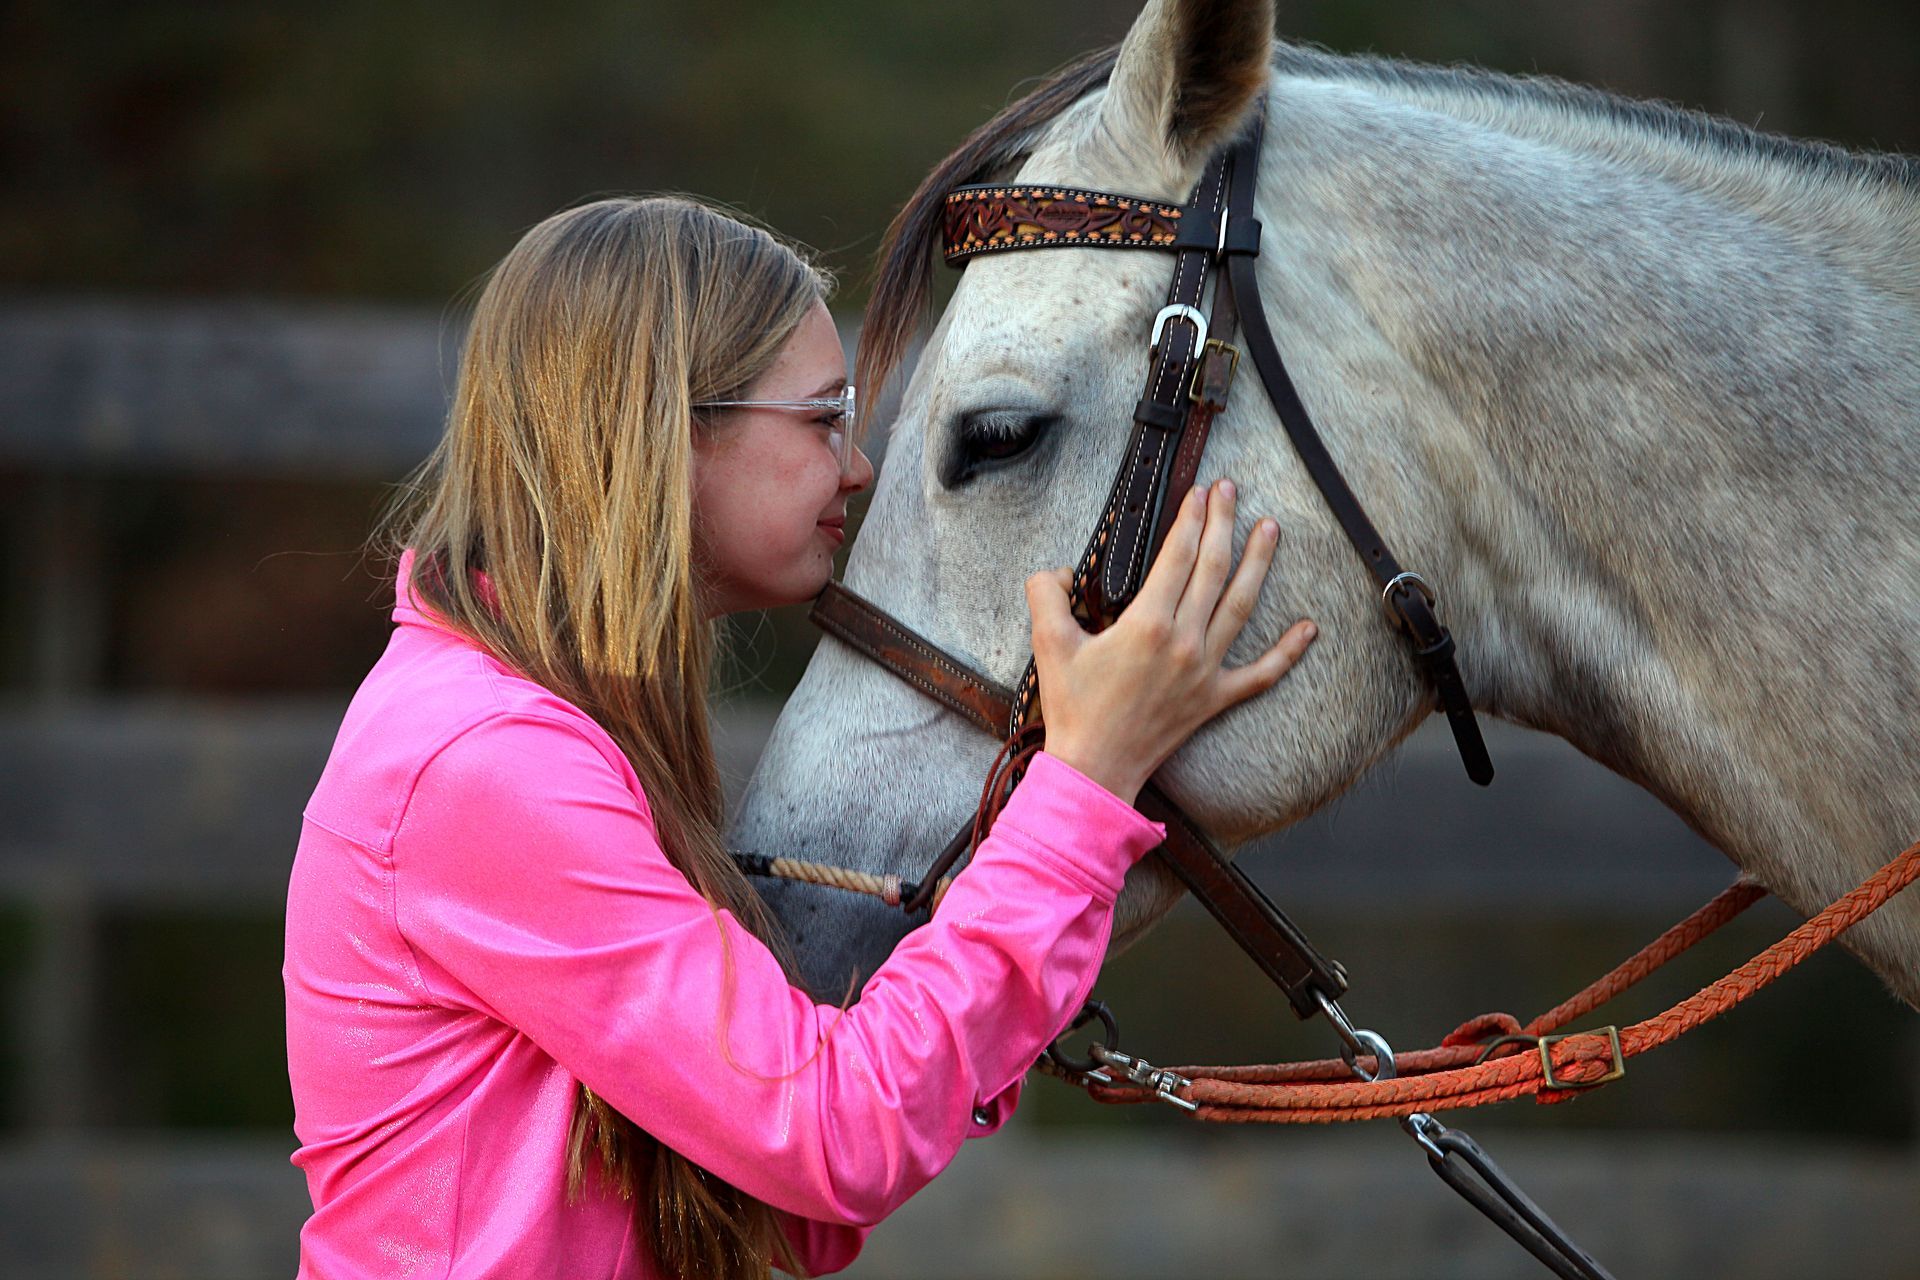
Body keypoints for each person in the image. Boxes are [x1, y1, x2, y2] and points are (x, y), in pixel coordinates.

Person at [282, 195, 1318, 1279]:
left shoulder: (522, 724)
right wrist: (1085, 786)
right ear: (665, 428)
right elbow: (834, 1136)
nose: (856, 465)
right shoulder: (482, 763)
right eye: (824, 417)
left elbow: (772, 1202)